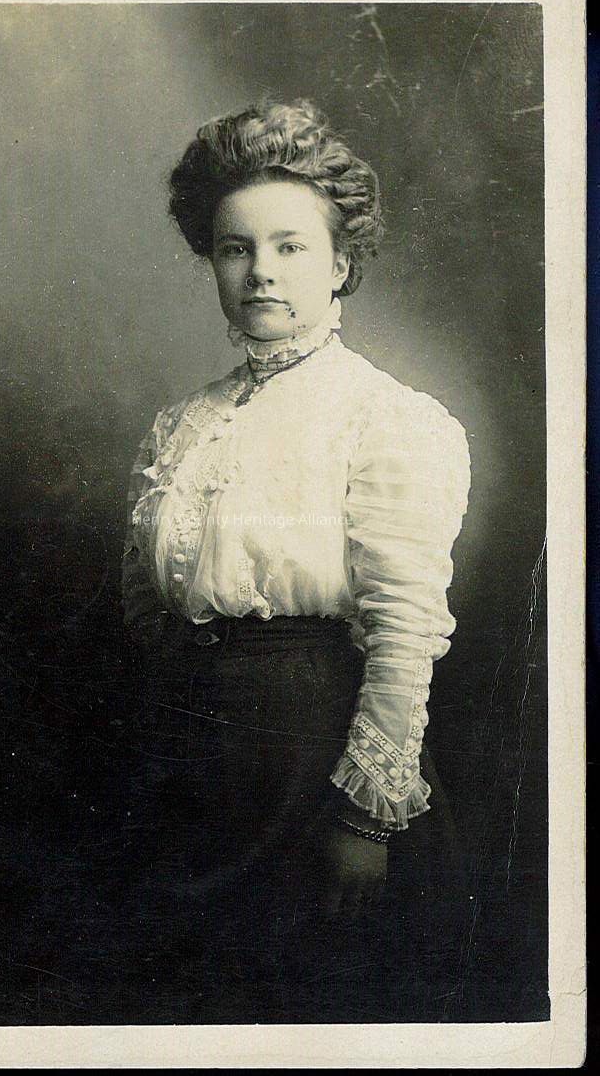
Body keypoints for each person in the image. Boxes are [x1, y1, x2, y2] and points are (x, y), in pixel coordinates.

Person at [119, 98, 471, 1022]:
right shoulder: (184, 423)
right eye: (235, 249)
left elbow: (405, 632)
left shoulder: (386, 417)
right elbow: (146, 597)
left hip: (312, 750)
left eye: (290, 246)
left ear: (340, 264)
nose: (261, 272)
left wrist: (363, 816)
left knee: (310, 993)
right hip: (193, 754)